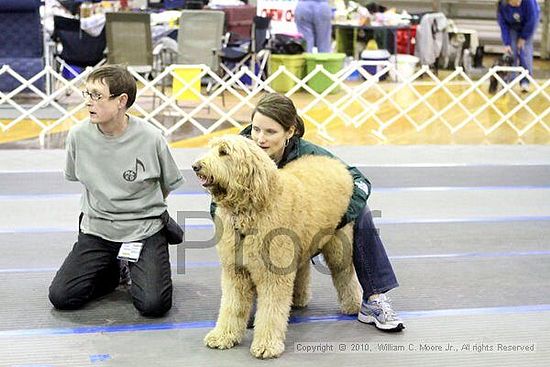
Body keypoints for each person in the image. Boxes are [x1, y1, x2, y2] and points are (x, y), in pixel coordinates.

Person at [212, 93, 404, 331]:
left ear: (290, 132)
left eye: (270, 132)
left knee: (360, 210)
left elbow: (359, 181)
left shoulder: (308, 152)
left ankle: (374, 297)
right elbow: (218, 205)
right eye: (256, 129)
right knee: (249, 309)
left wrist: (332, 221)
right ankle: (292, 296)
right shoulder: (236, 151)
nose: (260, 139)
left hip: (306, 224)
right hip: (255, 234)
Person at [48, 65, 184, 317]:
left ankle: (148, 258)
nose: (88, 102)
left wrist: (140, 212)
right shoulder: (78, 136)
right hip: (97, 229)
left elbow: (166, 185)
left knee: (153, 305)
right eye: (86, 94)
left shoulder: (151, 138)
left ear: (122, 101)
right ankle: (113, 270)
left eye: (97, 96)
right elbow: (79, 178)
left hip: (144, 229)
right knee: (62, 296)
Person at [497, 0, 540, 92]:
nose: (517, 4)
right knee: (511, 52)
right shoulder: (502, 5)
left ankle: (525, 82)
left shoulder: (529, 2)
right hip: (512, 26)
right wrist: (507, 43)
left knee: (525, 52)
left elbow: (531, 21)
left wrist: (523, 38)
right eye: (514, 2)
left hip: (529, 23)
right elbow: (503, 26)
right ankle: (509, 81)